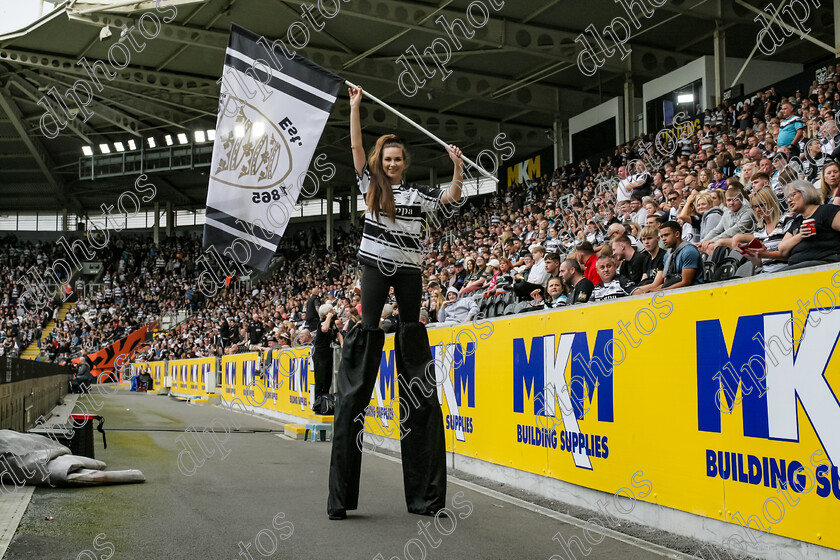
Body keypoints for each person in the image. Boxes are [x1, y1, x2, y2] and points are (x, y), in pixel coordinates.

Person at [329, 85, 463, 520]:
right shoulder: (370, 186)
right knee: (368, 337)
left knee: (411, 339)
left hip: (408, 274)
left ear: (405, 164)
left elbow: (452, 198)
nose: (391, 163)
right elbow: (354, 146)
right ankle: (343, 494)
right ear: (379, 163)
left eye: (397, 159)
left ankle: (424, 496)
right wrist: (355, 108)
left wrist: (457, 167)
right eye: (386, 158)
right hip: (374, 270)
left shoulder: (416, 195)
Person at [778, 181, 840, 270]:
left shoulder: (827, 211)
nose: (789, 200)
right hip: (797, 267)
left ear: (805, 192)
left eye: (792, 195)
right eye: (787, 197)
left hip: (824, 265)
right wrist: (800, 235)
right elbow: (782, 250)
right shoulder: (796, 222)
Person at [635, 221, 705, 293]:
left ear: (677, 234)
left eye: (666, 235)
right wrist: (650, 291)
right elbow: (666, 283)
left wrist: (659, 291)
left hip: (693, 292)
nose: (663, 239)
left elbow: (686, 282)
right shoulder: (667, 255)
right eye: (662, 236)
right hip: (674, 292)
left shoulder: (689, 251)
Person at [312, 303, 338, 414]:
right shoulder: (323, 323)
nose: (334, 312)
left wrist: (342, 344)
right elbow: (324, 329)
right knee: (320, 379)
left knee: (328, 379)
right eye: (331, 310)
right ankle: (318, 404)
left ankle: (325, 403)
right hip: (320, 353)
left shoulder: (332, 323)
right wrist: (328, 317)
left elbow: (338, 333)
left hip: (328, 352)